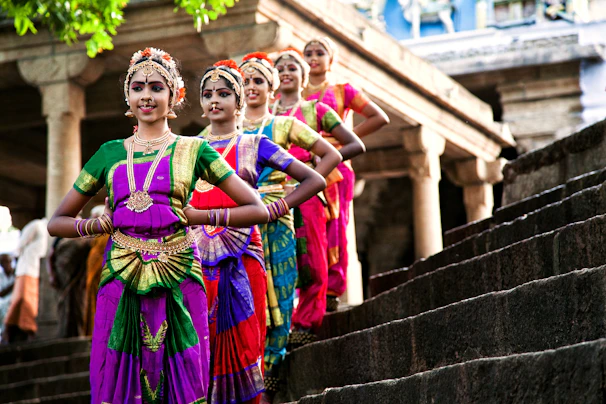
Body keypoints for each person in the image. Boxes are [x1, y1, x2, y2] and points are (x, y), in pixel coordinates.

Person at [47, 47, 269, 404]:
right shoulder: (109, 153)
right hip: (120, 275)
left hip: (180, 272)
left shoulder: (194, 150)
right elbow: (57, 222)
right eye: (137, 88)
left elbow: (255, 207)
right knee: (117, 375)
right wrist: (98, 224)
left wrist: (203, 216)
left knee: (187, 375)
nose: (146, 96)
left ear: (174, 96)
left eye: (156, 87)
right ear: (128, 96)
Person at [191, 59, 328, 404]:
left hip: (244, 252)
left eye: (223, 93)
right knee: (200, 343)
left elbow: (315, 178)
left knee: (246, 340)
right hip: (196, 256)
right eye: (207, 95)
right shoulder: (189, 149)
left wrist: (278, 207)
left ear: (239, 102)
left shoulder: (255, 144)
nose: (214, 101)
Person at [238, 52, 343, 399]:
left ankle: (272, 368)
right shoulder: (219, 131)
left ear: (271, 90)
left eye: (258, 81)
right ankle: (248, 369)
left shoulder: (282, 124)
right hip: (237, 226)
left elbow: (333, 155)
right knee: (244, 299)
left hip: (277, 217)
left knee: (280, 295)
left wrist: (288, 199)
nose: (251, 88)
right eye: (245, 82)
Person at [271, 47, 366, 345]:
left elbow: (351, 145)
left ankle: (308, 320)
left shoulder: (316, 110)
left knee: (312, 255)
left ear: (303, 78)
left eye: (293, 67)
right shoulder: (266, 114)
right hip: (269, 193)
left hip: (308, 189)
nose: (286, 71)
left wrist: (317, 165)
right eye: (281, 68)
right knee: (277, 261)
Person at [302, 37, 389, 311]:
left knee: (335, 226)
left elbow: (378, 117)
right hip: (302, 166)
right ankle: (309, 291)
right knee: (306, 228)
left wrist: (341, 141)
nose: (313, 58)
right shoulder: (294, 94)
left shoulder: (343, 90)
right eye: (308, 53)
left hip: (337, 166)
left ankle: (331, 291)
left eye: (319, 52)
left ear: (332, 59)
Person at [3, 217, 48, 343]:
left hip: (33, 270)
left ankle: (24, 330)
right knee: (23, 300)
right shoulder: (37, 225)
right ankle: (21, 330)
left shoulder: (45, 229)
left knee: (29, 301)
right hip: (26, 269)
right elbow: (20, 245)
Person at [83, 206, 109, 336]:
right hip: (93, 277)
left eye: (95, 218)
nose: (93, 221)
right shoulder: (96, 236)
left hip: (102, 275)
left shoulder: (107, 234)